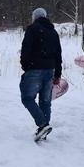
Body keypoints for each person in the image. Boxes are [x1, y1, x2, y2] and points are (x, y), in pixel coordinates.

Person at [20, 8, 63, 141]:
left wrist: (25, 66)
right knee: (45, 101)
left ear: (35, 17)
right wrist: (57, 74)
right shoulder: (53, 32)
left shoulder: (32, 29)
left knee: (27, 98)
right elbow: (58, 55)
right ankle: (43, 130)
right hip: (50, 70)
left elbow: (26, 48)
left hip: (34, 69)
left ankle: (43, 124)